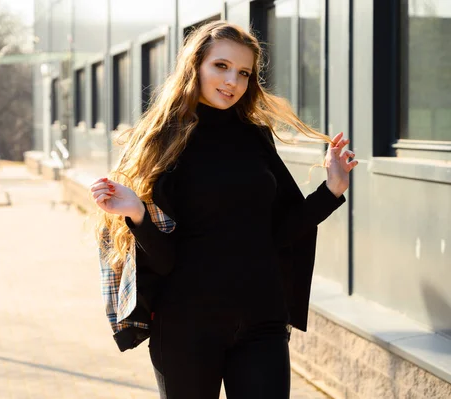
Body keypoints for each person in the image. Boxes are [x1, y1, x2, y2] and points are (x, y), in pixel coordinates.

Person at [90, 20, 358, 399]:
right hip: (186, 327)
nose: (233, 80)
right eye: (221, 66)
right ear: (194, 65)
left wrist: (332, 190)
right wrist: (137, 214)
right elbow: (164, 262)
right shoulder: (163, 141)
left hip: (262, 321)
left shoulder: (255, 136)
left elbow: (279, 232)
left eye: (244, 73)